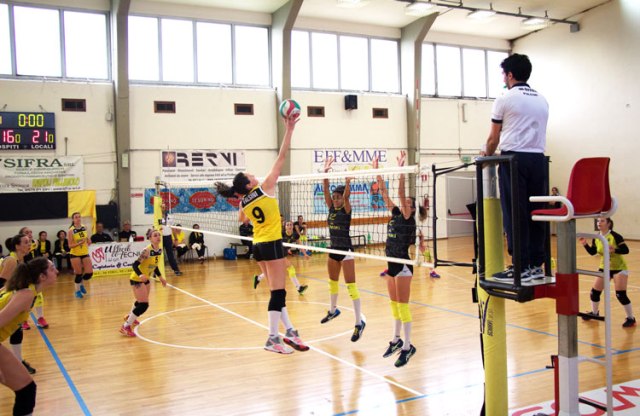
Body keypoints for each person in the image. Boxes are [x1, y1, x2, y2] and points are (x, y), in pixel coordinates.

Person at [215, 112, 309, 354]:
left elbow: (243, 219)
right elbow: (282, 156)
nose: (254, 175)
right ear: (249, 184)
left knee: (276, 291)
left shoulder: (243, 202)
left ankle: (290, 331)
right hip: (271, 243)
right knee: (278, 292)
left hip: (258, 245)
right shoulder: (265, 187)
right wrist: (290, 129)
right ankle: (272, 338)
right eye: (250, 176)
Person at [481, 53, 549, 282]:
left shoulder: (504, 99)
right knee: (536, 213)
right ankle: (535, 265)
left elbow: (493, 138)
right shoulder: (542, 99)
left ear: (509, 75)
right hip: (539, 160)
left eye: (503, 74)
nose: (503, 78)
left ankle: (519, 266)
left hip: (514, 160)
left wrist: (485, 156)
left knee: (514, 213)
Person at [375, 151, 420, 367]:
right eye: (404, 202)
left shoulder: (408, 218)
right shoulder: (395, 214)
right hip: (390, 266)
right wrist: (377, 171)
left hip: (403, 266)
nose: (404, 203)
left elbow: (401, 193)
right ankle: (396, 340)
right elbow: (384, 193)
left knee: (403, 307)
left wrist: (402, 170)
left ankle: (408, 346)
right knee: (394, 305)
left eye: (408, 203)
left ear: (412, 208)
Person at [0, 256, 58, 415]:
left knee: (26, 388)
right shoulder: (26, 294)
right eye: (52, 269)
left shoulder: (24, 289)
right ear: (42, 276)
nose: (57, 271)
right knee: (26, 389)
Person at [320, 156, 366, 343]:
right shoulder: (331, 208)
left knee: (351, 287)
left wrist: (347, 183)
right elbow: (325, 190)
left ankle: (358, 323)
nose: (335, 199)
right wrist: (325, 174)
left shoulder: (346, 210)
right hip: (333, 249)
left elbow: (346, 196)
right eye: (334, 197)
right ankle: (333, 310)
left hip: (346, 250)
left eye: (338, 197)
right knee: (332, 282)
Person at [580, 217, 635, 328]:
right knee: (594, 292)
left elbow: (626, 250)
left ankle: (631, 318)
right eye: (598, 221)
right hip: (604, 267)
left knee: (621, 295)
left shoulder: (615, 236)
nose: (599, 223)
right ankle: (594, 313)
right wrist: (585, 244)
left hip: (619, 268)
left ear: (609, 223)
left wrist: (614, 250)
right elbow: (593, 252)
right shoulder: (597, 237)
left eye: (602, 221)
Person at [0, 234, 37, 374]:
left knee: (16, 328)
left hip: (7, 296)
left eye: (29, 242)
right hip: (3, 297)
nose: (29, 245)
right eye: (26, 242)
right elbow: (2, 284)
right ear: (17, 246)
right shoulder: (11, 260)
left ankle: (18, 361)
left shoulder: (21, 260)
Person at [120, 230, 167, 337]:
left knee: (140, 301)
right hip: (137, 278)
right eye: (155, 235)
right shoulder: (146, 251)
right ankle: (125, 326)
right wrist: (141, 275)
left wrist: (161, 278)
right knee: (144, 305)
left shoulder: (159, 250)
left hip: (146, 279)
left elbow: (154, 266)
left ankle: (130, 317)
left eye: (159, 235)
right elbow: (135, 265)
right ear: (150, 238)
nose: (158, 237)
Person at [68, 212, 93, 298]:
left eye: (79, 217)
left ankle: (81, 283)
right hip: (75, 254)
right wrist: (79, 243)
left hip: (84, 253)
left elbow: (86, 238)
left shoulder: (84, 227)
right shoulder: (71, 230)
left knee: (89, 273)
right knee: (78, 273)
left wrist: (89, 240)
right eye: (76, 217)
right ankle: (77, 291)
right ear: (73, 219)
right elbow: (70, 246)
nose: (78, 219)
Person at [161, 205, 182, 276]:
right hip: (160, 238)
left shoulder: (170, 217)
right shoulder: (157, 217)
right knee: (158, 255)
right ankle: (156, 272)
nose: (163, 208)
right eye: (162, 207)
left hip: (168, 237)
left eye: (164, 207)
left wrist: (176, 238)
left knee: (170, 254)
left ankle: (176, 270)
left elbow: (173, 229)